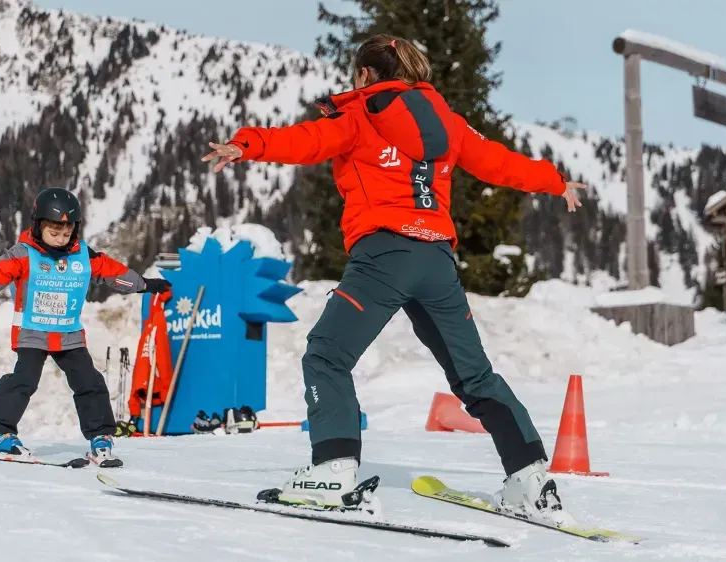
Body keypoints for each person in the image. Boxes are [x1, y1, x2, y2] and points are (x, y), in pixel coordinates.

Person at [201, 34, 586, 521]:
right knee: (475, 376)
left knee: (326, 356)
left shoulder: (359, 114)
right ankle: (532, 481)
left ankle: (333, 470)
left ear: (365, 74)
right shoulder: (448, 123)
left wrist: (247, 145)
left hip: (385, 254)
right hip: (437, 260)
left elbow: (305, 141)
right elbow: (498, 162)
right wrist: (554, 180)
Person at [0, 187, 171, 467]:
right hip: (33, 332)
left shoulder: (82, 256)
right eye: (54, 233)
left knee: (89, 381)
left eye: (66, 234)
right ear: (38, 225)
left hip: (68, 334)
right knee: (23, 381)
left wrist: (144, 285)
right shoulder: (23, 254)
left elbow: (111, 272)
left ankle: (101, 439)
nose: (61, 239)